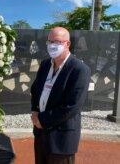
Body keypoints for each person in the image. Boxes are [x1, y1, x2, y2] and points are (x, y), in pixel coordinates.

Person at [31, 27, 90, 164]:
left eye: (57, 41)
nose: (52, 45)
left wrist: (42, 119)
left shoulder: (79, 69)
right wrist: (34, 110)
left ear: (67, 44)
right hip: (40, 134)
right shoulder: (45, 64)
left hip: (61, 138)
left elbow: (72, 106)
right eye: (49, 41)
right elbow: (35, 90)